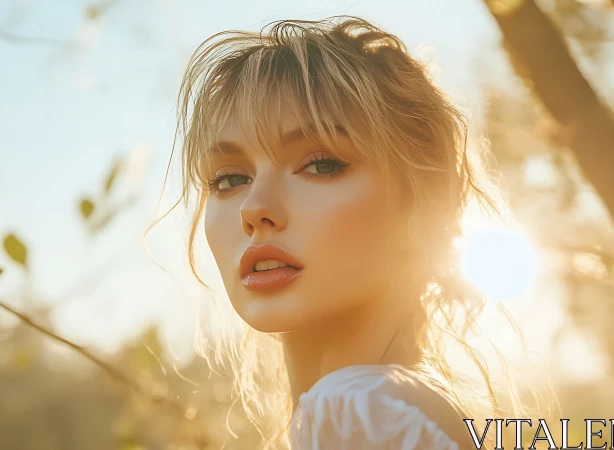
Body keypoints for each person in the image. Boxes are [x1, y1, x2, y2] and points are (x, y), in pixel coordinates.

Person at [170, 15, 544, 449]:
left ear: (422, 201)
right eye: (230, 179)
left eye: (321, 165)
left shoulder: (357, 413)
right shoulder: (387, 409)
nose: (254, 208)